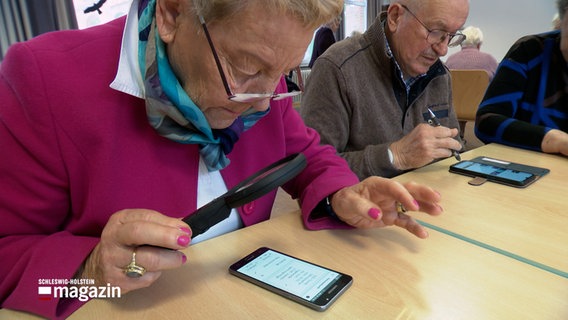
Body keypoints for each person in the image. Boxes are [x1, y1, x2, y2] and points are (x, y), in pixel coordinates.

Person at [0, 0, 445, 318]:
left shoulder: (265, 91)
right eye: (246, 68)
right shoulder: (43, 79)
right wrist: (88, 271)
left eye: (284, 73)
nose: (263, 101)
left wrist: (345, 192)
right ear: (173, 13)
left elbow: (309, 154)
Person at [301, 0, 467, 179]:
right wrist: (395, 156)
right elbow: (312, 170)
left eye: (451, 36)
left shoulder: (440, 76)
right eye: (435, 32)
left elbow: (454, 151)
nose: (443, 50)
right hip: (365, 205)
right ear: (395, 16)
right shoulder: (337, 69)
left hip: (432, 199)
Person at [475, 0, 568, 157]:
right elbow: (486, 121)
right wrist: (555, 140)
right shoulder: (529, 51)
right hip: (529, 169)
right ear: (563, 16)